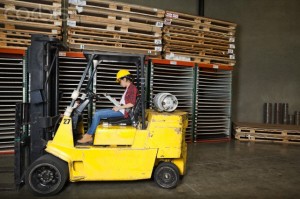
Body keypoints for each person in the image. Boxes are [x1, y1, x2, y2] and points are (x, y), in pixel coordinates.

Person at [77, 69, 138, 144]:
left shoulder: (132, 88)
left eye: (120, 81)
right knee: (97, 112)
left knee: (97, 114)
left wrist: (119, 107)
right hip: (122, 110)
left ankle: (88, 136)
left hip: (124, 113)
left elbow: (131, 104)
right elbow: (126, 102)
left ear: (125, 79)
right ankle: (89, 133)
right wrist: (116, 102)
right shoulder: (128, 88)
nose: (119, 83)